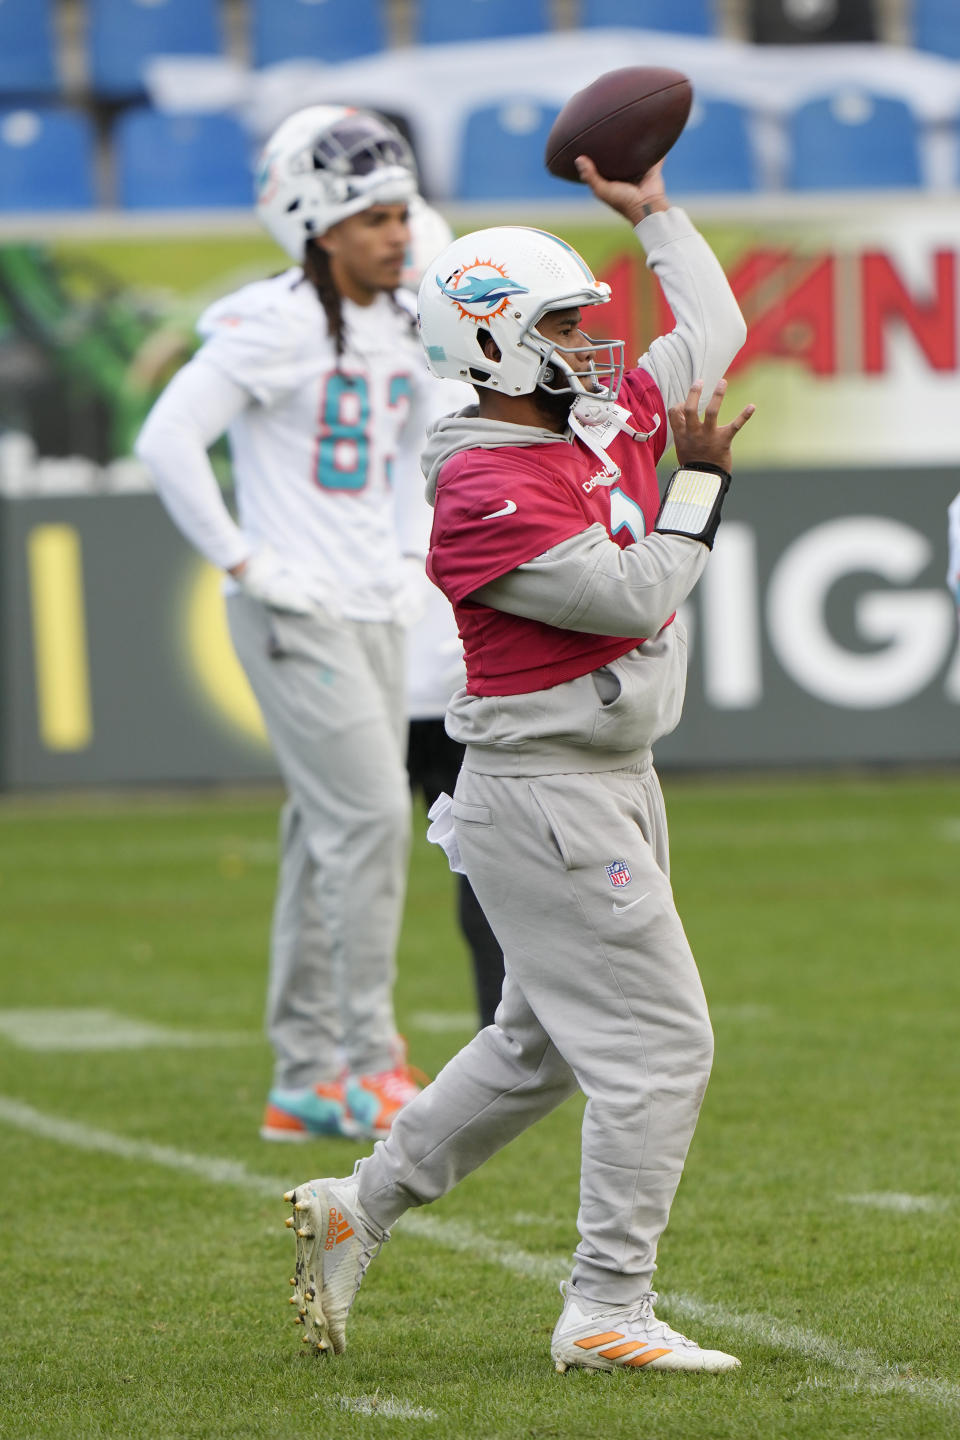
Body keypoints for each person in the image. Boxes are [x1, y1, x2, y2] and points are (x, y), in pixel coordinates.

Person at [283, 154, 754, 1374]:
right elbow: (628, 592)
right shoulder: (483, 477)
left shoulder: (588, 421)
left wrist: (657, 218)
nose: (592, 349)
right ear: (492, 343)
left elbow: (714, 326)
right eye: (558, 325)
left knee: (536, 1048)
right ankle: (606, 1306)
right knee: (660, 1049)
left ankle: (359, 1207)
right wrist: (698, 485)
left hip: (605, 775)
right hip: (544, 792)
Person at [135, 105, 439, 1142]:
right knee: (371, 821)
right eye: (374, 218)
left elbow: (411, 451)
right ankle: (366, 1061)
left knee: (326, 834)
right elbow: (170, 438)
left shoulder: (401, 321)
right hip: (292, 609)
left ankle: (305, 1075)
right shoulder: (270, 321)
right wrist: (245, 559)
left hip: (370, 600)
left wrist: (407, 554)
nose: (399, 234)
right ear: (316, 227)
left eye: (402, 213)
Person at [401, 200, 506, 1031]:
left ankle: (337, 1056)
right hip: (429, 639)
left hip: (396, 629)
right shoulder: (461, 375)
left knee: (350, 858)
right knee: (490, 862)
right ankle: (507, 1037)